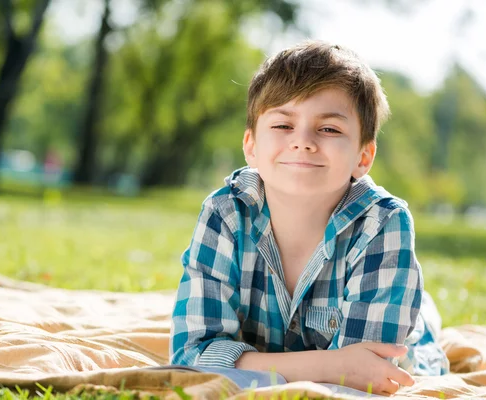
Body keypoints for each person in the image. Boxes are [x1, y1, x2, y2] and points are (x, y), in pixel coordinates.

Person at [169, 41, 449, 396]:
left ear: (364, 156)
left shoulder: (384, 223)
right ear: (251, 145)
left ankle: (421, 311)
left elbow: (368, 376)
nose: (302, 142)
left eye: (329, 129)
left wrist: (245, 364)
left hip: (400, 333)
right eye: (283, 125)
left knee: (418, 329)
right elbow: (191, 356)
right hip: (316, 344)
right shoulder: (225, 212)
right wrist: (333, 365)